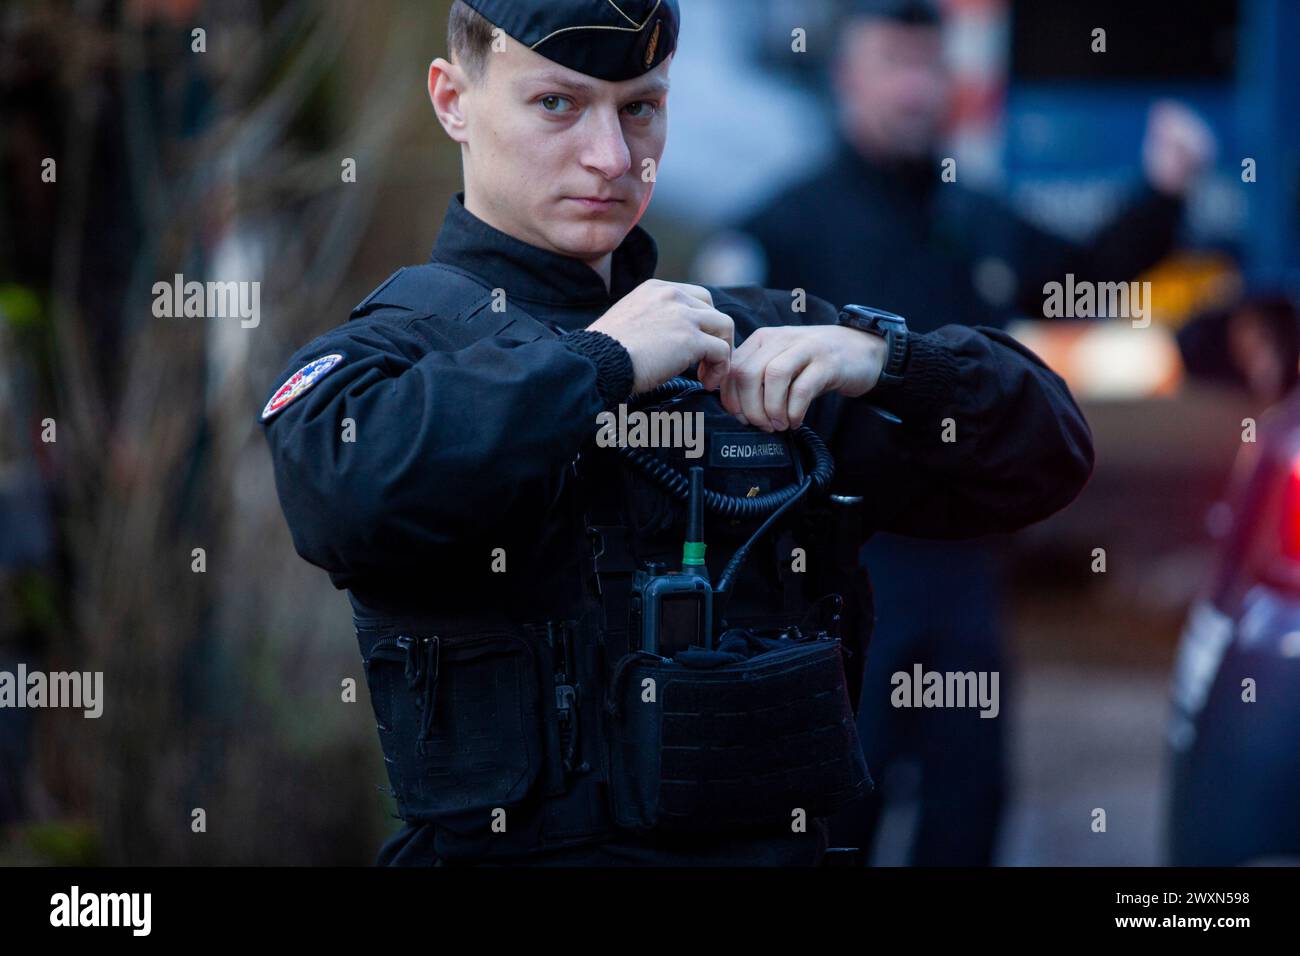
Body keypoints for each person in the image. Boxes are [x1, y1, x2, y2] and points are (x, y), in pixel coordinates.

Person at [259, 0, 1095, 867]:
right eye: (557, 103)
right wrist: (601, 366)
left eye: (640, 108)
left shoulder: (753, 343)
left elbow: (1047, 459)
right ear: (452, 100)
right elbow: (340, 492)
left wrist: (889, 359)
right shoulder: (388, 356)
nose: (612, 158)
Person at [694, 0, 1216, 865]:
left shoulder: (970, 216)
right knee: (834, 820)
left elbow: (1083, 278)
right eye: (891, 63)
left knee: (967, 808)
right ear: (845, 78)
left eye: (925, 65)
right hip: (838, 572)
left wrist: (1164, 191)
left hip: (967, 569)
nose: (912, 87)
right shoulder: (780, 228)